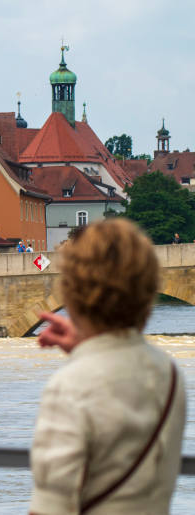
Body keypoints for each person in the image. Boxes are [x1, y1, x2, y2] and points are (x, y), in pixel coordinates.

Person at [31, 219, 186, 514]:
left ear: (72, 293)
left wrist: (86, 357)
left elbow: (50, 508)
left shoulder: (69, 386)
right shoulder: (169, 374)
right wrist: (89, 349)